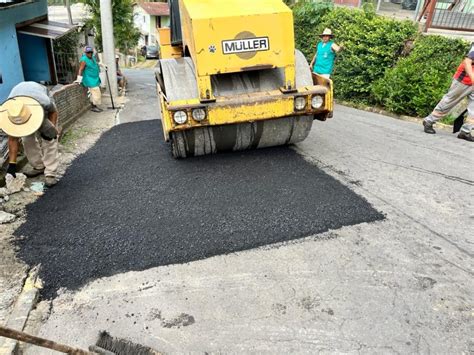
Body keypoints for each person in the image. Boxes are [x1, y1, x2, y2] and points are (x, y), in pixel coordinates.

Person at [0, 82, 60, 187]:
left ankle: (50, 173)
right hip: (21, 103)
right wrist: (12, 164)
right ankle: (39, 166)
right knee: (27, 139)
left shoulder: (44, 101)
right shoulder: (11, 111)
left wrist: (52, 128)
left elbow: (53, 112)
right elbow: (12, 140)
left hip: (39, 107)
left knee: (50, 139)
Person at [423, 43, 474, 142]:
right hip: (464, 80)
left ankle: (465, 131)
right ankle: (429, 121)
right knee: (449, 101)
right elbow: (467, 62)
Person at [76, 46, 103, 113]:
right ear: (85, 53)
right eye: (88, 52)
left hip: (95, 78)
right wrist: (79, 79)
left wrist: (100, 65)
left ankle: (94, 106)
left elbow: (96, 63)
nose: (90, 54)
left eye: (91, 52)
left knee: (93, 94)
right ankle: (94, 107)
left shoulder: (92, 58)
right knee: (96, 92)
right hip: (89, 79)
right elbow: (80, 69)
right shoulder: (84, 60)